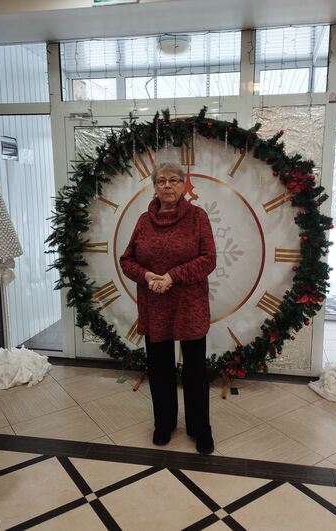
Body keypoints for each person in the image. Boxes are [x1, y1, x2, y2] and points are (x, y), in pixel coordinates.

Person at [120, 161, 217, 454]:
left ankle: (200, 428)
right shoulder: (143, 221)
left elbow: (208, 259)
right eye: (161, 180)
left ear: (183, 185)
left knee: (195, 371)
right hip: (155, 304)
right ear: (154, 186)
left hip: (190, 305)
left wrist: (173, 276)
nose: (167, 185)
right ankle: (164, 424)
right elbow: (127, 260)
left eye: (174, 180)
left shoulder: (198, 218)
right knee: (160, 369)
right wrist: (148, 276)